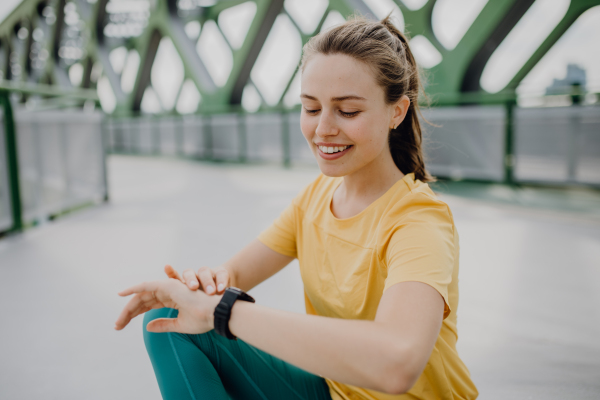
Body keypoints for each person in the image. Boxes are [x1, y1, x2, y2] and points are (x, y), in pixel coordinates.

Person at [115, 14, 478, 400]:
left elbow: (397, 362)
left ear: (397, 112)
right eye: (311, 108)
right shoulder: (316, 199)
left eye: (348, 111)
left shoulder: (418, 221)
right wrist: (200, 288)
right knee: (168, 319)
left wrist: (223, 312)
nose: (323, 129)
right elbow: (234, 272)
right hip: (332, 391)